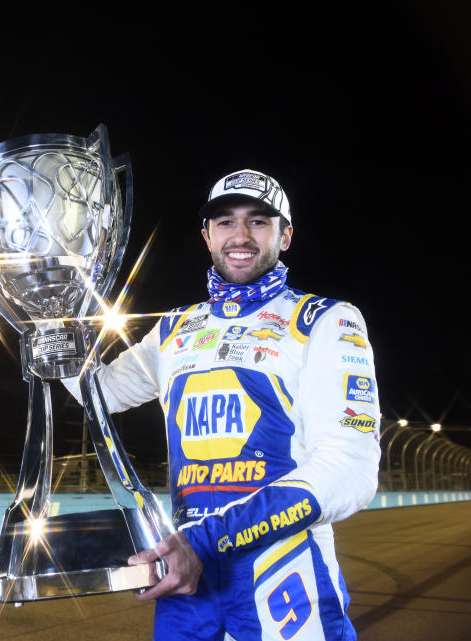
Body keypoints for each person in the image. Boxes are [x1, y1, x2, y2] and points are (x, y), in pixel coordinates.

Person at [65, 169, 380, 640]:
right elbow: (102, 393)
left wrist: (206, 540)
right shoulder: (174, 328)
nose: (240, 236)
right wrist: (51, 327)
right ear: (206, 235)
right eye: (225, 222)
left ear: (285, 235)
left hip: (283, 568)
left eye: (258, 221)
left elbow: (349, 467)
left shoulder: (326, 320)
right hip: (186, 578)